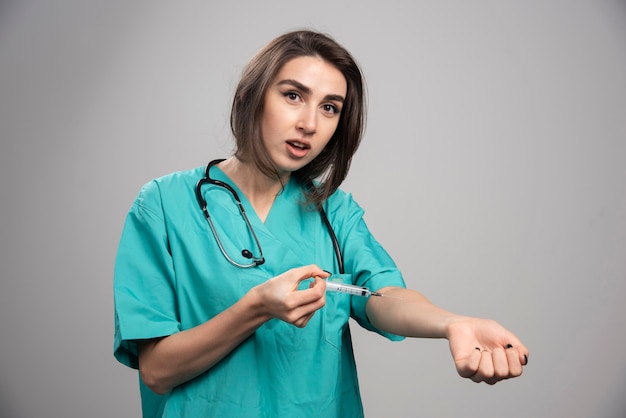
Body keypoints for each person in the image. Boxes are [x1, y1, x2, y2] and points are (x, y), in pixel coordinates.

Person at [113, 29, 529, 417]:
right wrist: (255, 308)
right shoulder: (164, 205)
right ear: (253, 96)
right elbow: (157, 370)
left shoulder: (334, 210)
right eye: (293, 96)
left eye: (329, 107)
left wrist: (452, 324)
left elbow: (384, 295)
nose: (310, 124)